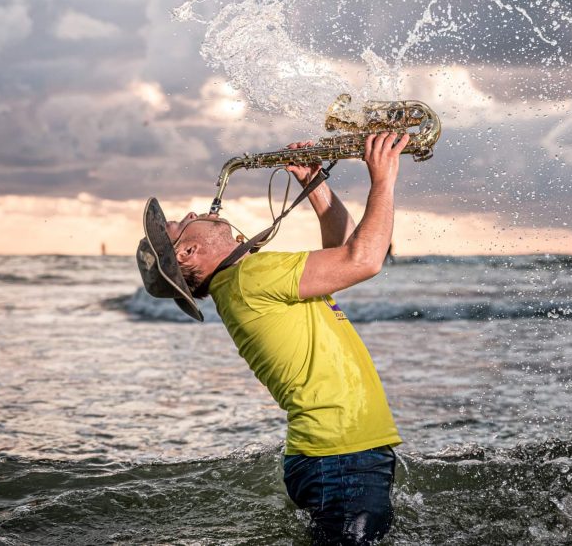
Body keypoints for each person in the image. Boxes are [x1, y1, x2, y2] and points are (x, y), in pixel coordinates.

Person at [136, 133, 408, 545]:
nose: (193, 211)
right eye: (183, 222)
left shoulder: (242, 281)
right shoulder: (250, 276)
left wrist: (316, 188)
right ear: (188, 253)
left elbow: (342, 253)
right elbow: (365, 259)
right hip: (341, 455)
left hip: (337, 455)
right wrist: (383, 179)